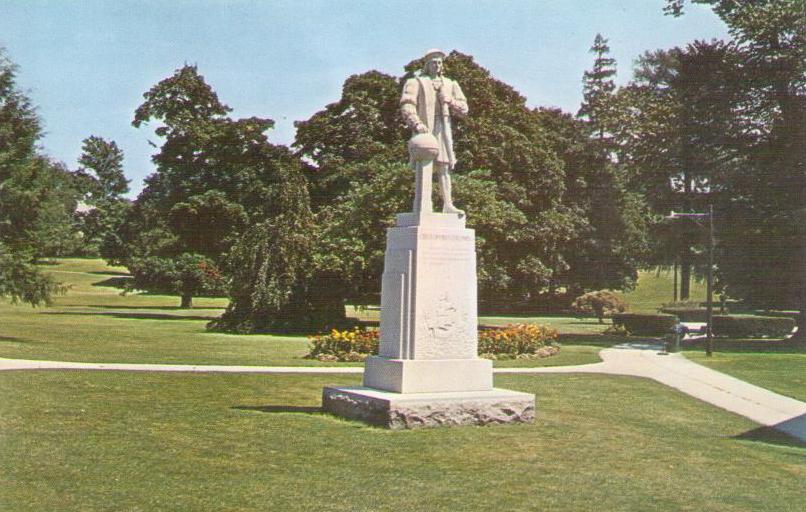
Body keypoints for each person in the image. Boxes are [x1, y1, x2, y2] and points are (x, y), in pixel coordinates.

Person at [400, 49, 468, 215]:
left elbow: (464, 109)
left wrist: (450, 100)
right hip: (426, 128)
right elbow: (407, 104)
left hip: (443, 127)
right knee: (425, 165)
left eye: (439, 62)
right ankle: (422, 205)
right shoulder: (416, 82)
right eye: (433, 62)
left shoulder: (451, 84)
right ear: (427, 64)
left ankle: (448, 204)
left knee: (444, 166)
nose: (437, 65)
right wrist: (416, 123)